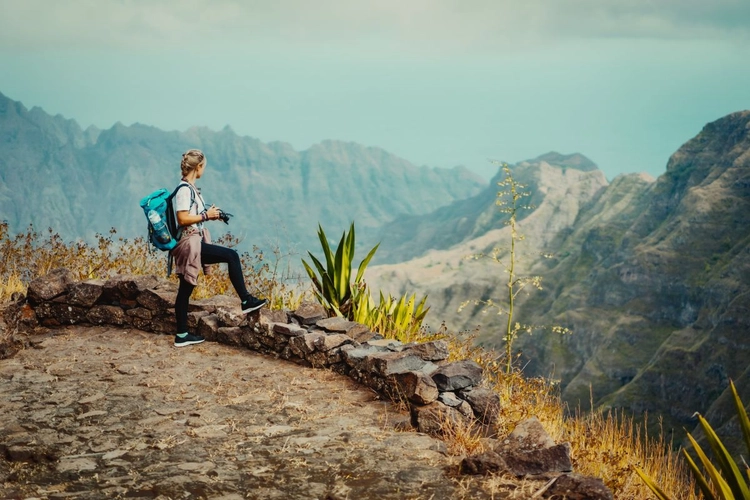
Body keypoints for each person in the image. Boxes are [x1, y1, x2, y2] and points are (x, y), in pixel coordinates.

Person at [171, 148, 267, 347]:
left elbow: (193, 215)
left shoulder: (191, 189)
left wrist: (214, 214)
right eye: (203, 167)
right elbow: (182, 218)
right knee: (231, 256)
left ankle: (181, 335)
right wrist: (206, 216)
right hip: (189, 244)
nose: (203, 170)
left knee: (185, 289)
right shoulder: (183, 190)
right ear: (198, 167)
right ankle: (246, 300)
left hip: (194, 241)